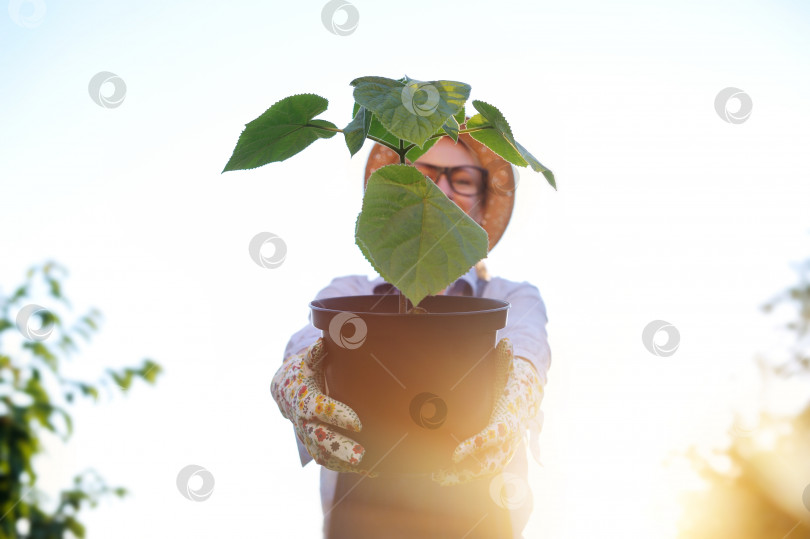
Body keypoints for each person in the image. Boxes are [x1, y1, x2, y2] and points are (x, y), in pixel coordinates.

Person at [271, 127, 552, 538]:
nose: (439, 190)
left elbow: (528, 351)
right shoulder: (350, 293)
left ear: (481, 208)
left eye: (462, 180)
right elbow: (310, 341)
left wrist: (521, 387)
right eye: (420, 175)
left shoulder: (509, 297)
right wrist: (295, 372)